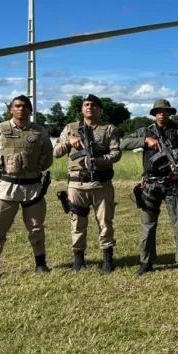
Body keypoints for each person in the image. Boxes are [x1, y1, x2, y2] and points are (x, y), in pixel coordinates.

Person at [121, 99, 178, 276]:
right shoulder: (146, 130)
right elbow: (123, 144)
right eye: (158, 111)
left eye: (165, 111)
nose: (161, 114)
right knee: (148, 224)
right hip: (150, 184)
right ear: (154, 113)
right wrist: (145, 140)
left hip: (172, 182)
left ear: (170, 113)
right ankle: (146, 261)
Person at [0, 95, 54, 282]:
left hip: (33, 188)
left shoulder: (40, 132)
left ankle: (41, 264)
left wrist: (35, 169)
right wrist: (0, 172)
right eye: (17, 106)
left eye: (25, 106)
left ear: (30, 110)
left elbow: (48, 157)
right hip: (7, 187)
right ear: (11, 109)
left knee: (36, 228)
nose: (21, 109)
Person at [53, 94, 121, 273]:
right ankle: (79, 259)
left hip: (101, 183)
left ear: (100, 109)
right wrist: (69, 141)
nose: (89, 107)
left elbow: (116, 153)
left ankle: (107, 258)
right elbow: (56, 152)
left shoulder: (108, 129)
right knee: (77, 221)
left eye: (93, 105)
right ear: (82, 109)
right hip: (77, 184)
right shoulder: (70, 128)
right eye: (86, 105)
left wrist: (99, 160)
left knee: (105, 221)